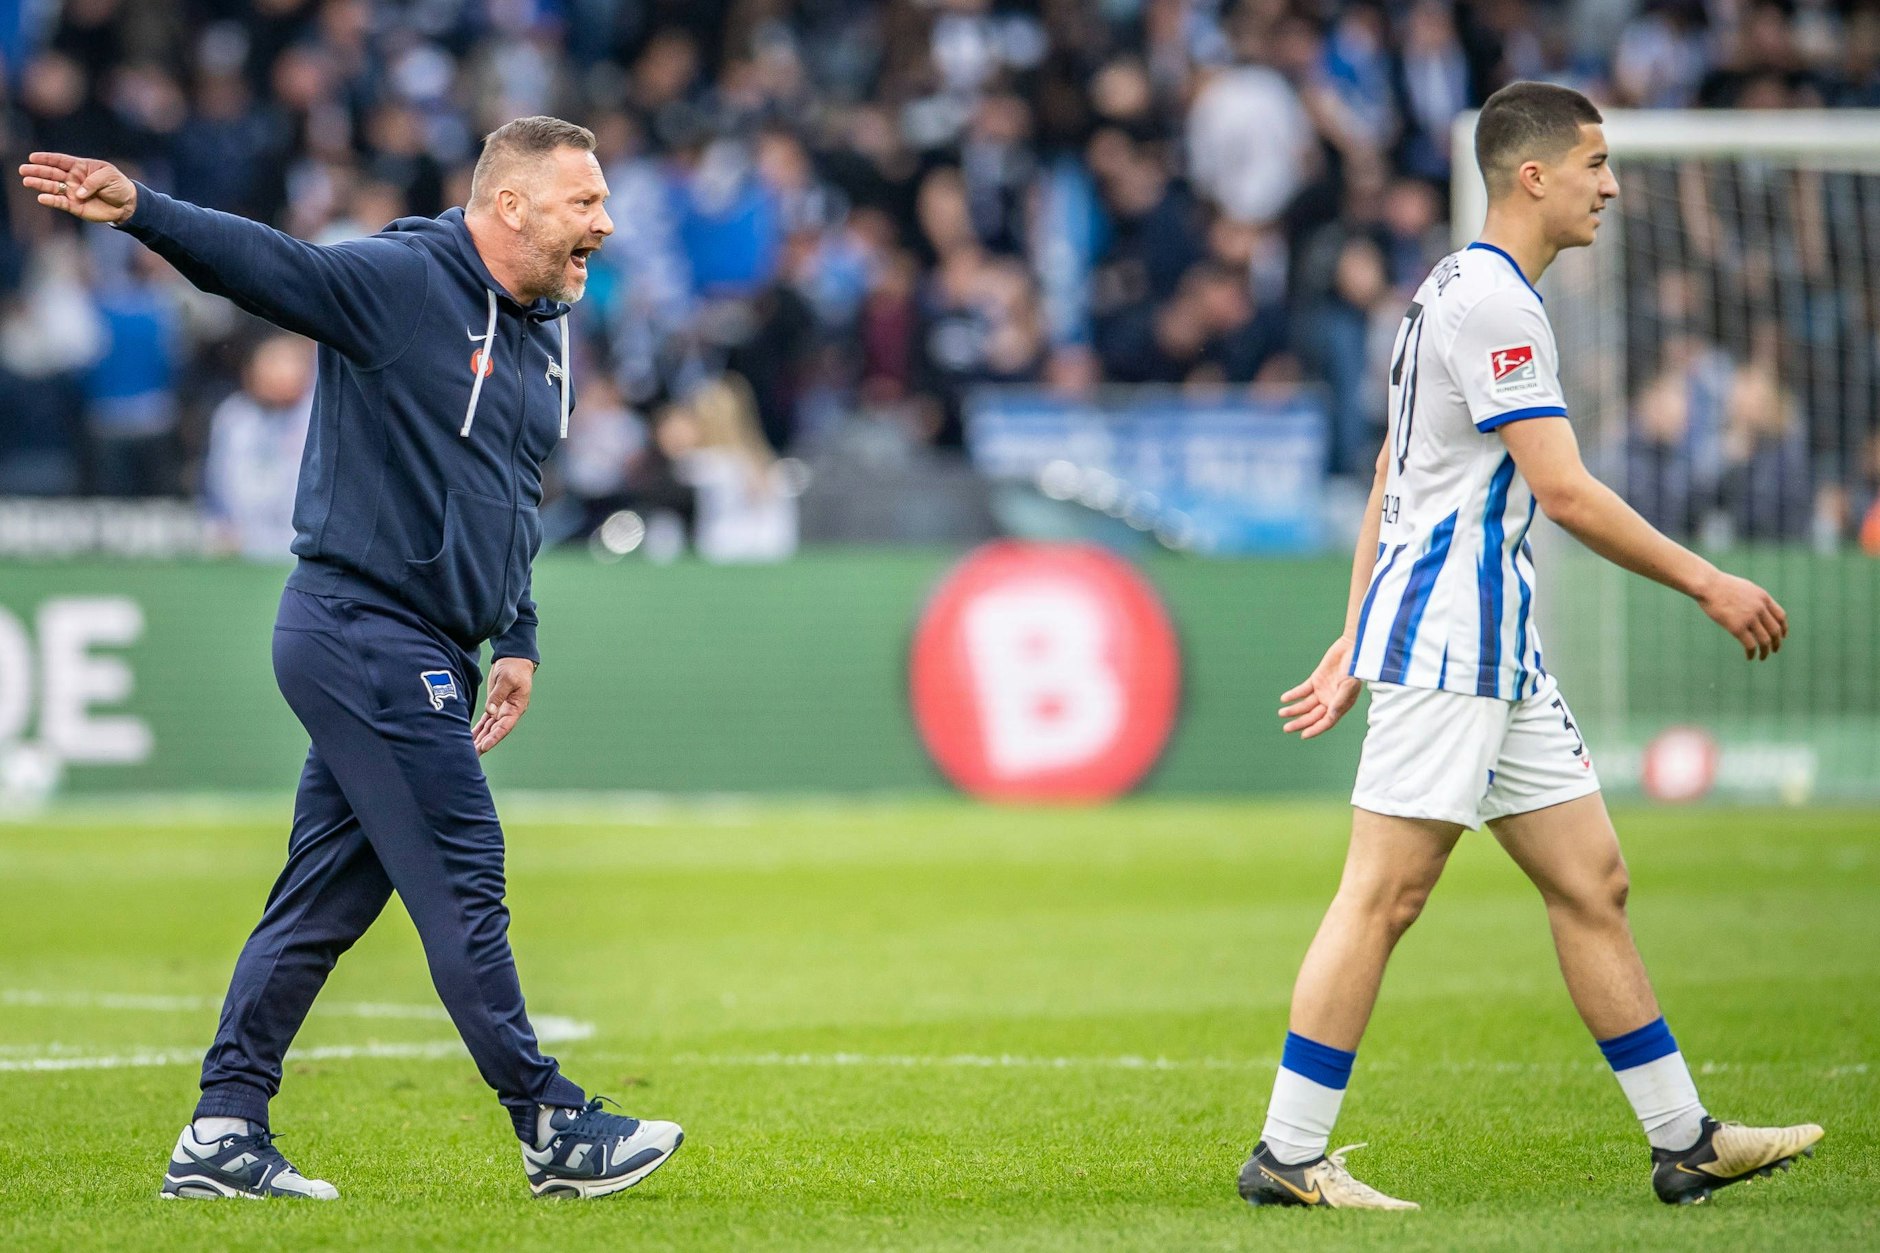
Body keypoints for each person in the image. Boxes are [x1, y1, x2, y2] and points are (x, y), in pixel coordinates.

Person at [20, 116, 684, 1202]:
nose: (603, 225)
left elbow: (511, 494)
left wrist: (512, 631)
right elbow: (273, 268)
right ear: (509, 206)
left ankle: (221, 1129)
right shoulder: (403, 281)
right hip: (358, 626)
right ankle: (550, 1120)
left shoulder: (544, 328)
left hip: (429, 642)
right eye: (583, 204)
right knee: (463, 863)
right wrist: (143, 210)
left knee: (322, 898)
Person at [1241, 82, 1822, 1212]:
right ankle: (1287, 1152)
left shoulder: (1444, 290)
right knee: (1382, 895)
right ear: (1532, 175)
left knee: (1591, 880)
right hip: (1454, 638)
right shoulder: (1494, 304)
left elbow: (1389, 473)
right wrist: (1706, 579)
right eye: (1595, 162)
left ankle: (1682, 1138)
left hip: (1491, 647)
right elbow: (1561, 491)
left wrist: (1356, 629)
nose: (1610, 185)